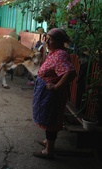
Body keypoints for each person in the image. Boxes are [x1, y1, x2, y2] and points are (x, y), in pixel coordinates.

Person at [32, 28, 76, 159]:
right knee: (47, 118)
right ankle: (48, 141)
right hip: (46, 93)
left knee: (51, 121)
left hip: (52, 95)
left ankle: (48, 150)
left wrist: (56, 86)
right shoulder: (54, 52)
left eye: (50, 39)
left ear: (59, 41)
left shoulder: (60, 54)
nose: (47, 42)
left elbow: (70, 72)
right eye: (47, 38)